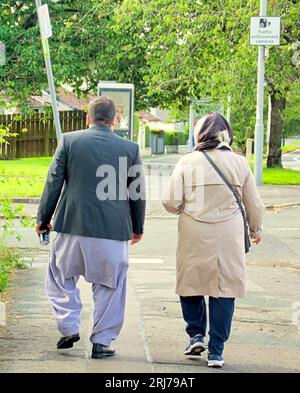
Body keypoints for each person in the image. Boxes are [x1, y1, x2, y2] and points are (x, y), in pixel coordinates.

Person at [36, 96, 146, 359]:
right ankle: (102, 341)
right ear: (115, 119)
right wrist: (137, 226)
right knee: (111, 285)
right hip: (112, 230)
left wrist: (43, 219)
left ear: (88, 118)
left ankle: (68, 326)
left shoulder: (70, 141)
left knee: (60, 276)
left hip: (71, 225)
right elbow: (137, 192)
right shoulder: (130, 149)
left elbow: (54, 183)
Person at [162, 112, 264, 369]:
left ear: (200, 134)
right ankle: (216, 351)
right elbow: (253, 203)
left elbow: (170, 202)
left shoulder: (187, 162)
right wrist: (255, 228)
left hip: (193, 232)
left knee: (190, 283)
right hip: (227, 235)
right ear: (227, 134)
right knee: (224, 288)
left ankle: (196, 334)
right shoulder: (239, 163)